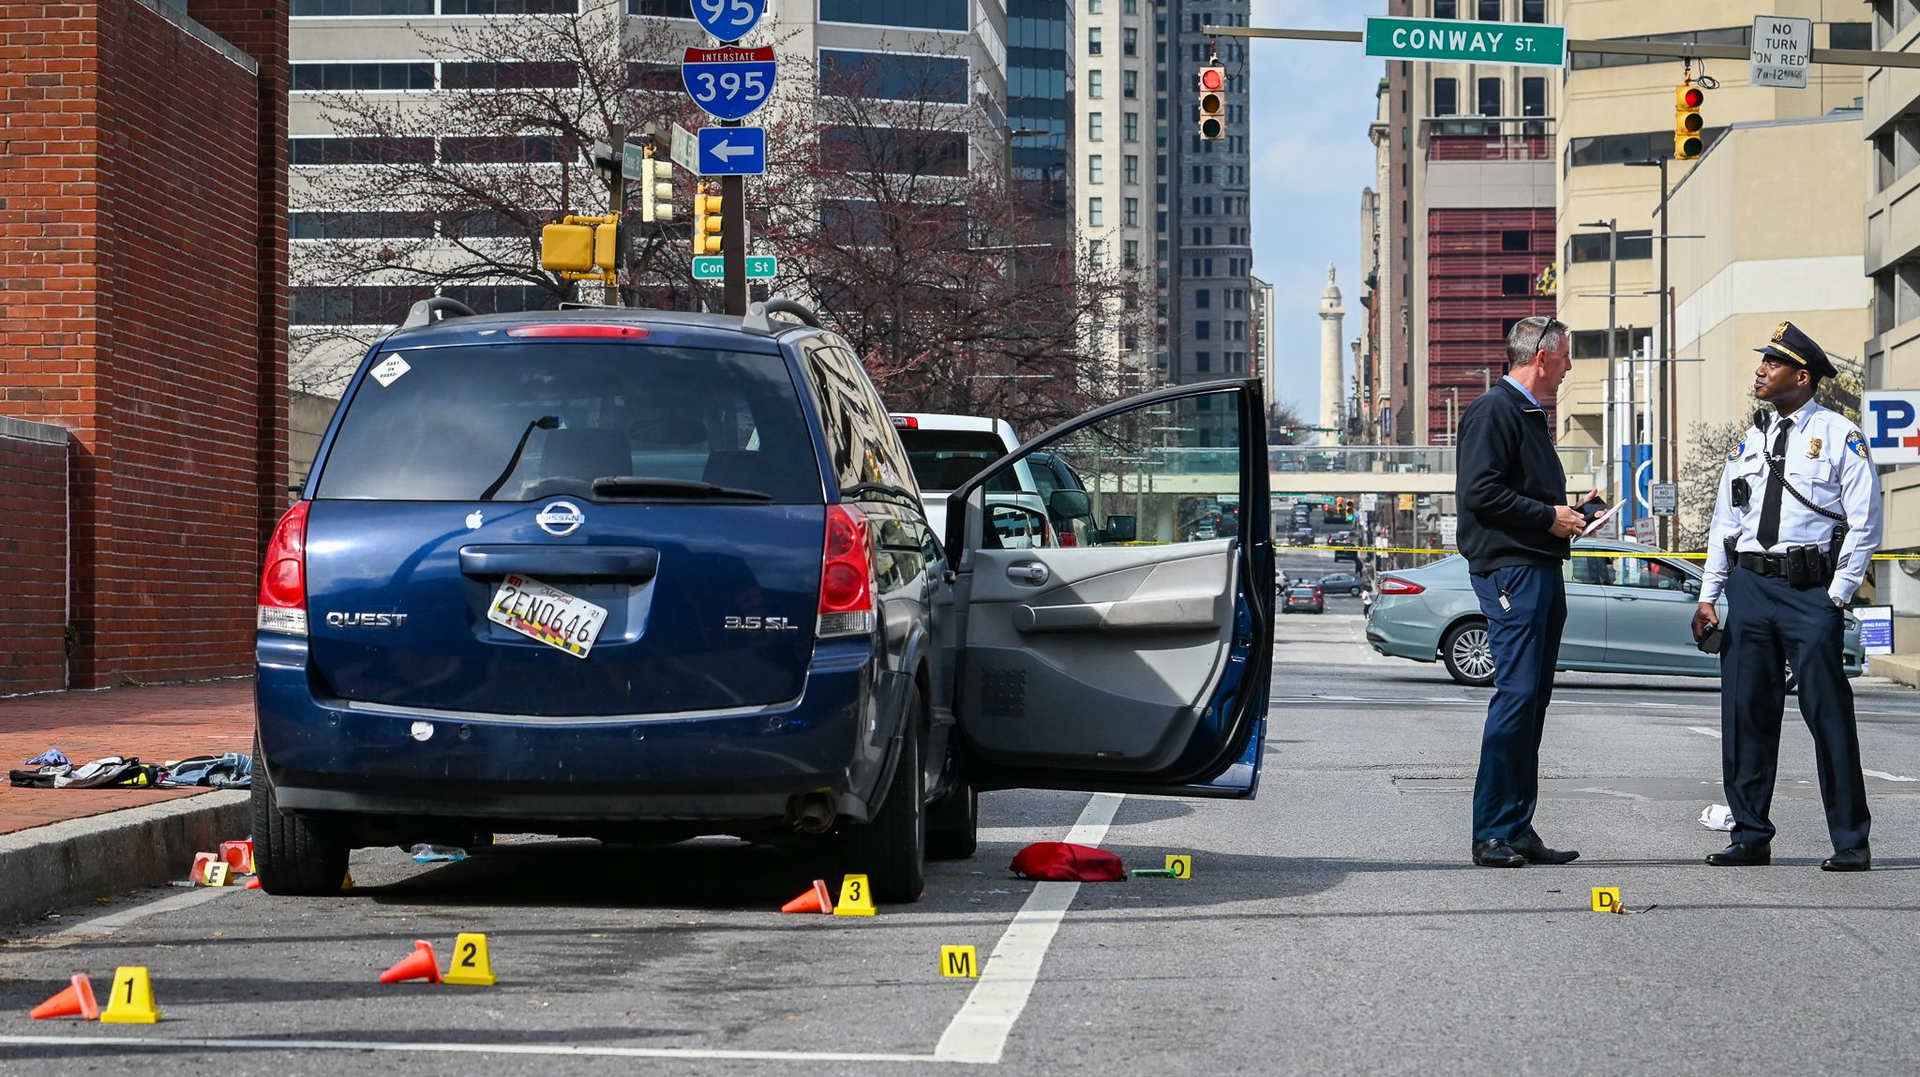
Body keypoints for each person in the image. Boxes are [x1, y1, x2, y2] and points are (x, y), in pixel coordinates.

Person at [1691, 322, 1883, 871]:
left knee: (1828, 716)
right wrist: (1709, 594)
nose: (1760, 371)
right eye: (1762, 362)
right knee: (1745, 715)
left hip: (1809, 591)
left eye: (1772, 363)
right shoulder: (1750, 440)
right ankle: (1750, 834)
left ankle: (1850, 841)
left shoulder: (1840, 435)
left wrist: (1836, 595)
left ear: (1802, 377)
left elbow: (1865, 521)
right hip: (1750, 588)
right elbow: (1726, 523)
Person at [1455, 315, 1592, 869]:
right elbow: (1480, 492)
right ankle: (1491, 831)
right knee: (1516, 697)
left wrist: (1569, 513)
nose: (1568, 367)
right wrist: (1548, 516)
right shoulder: (1496, 410)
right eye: (1565, 357)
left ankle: (1517, 827)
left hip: (1536, 565)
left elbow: (1514, 492)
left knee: (1531, 701)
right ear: (1541, 357)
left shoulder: (1526, 413)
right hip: (1512, 570)